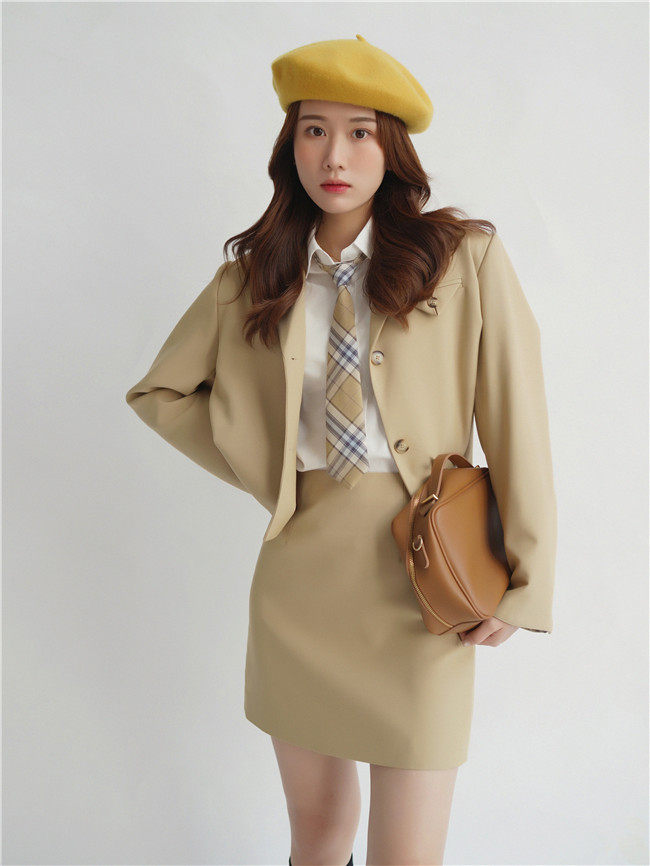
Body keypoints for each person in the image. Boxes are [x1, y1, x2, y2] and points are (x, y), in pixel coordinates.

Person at [125, 34, 557, 866]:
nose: (335, 154)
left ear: (392, 149)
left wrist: (525, 580)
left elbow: (518, 420)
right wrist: (272, 469)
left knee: (408, 854)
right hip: (300, 586)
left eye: (361, 132)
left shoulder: (464, 260)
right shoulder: (253, 278)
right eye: (314, 130)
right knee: (318, 835)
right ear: (289, 146)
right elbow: (161, 393)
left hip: (427, 584)